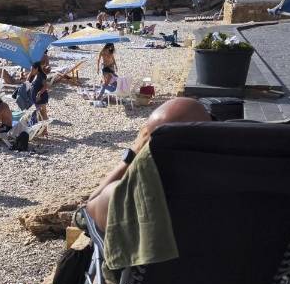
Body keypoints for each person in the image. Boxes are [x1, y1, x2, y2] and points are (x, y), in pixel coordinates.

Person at [84, 97, 212, 232]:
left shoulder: (128, 198)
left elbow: (90, 206)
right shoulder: (229, 179)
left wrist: (133, 152)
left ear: (149, 148)